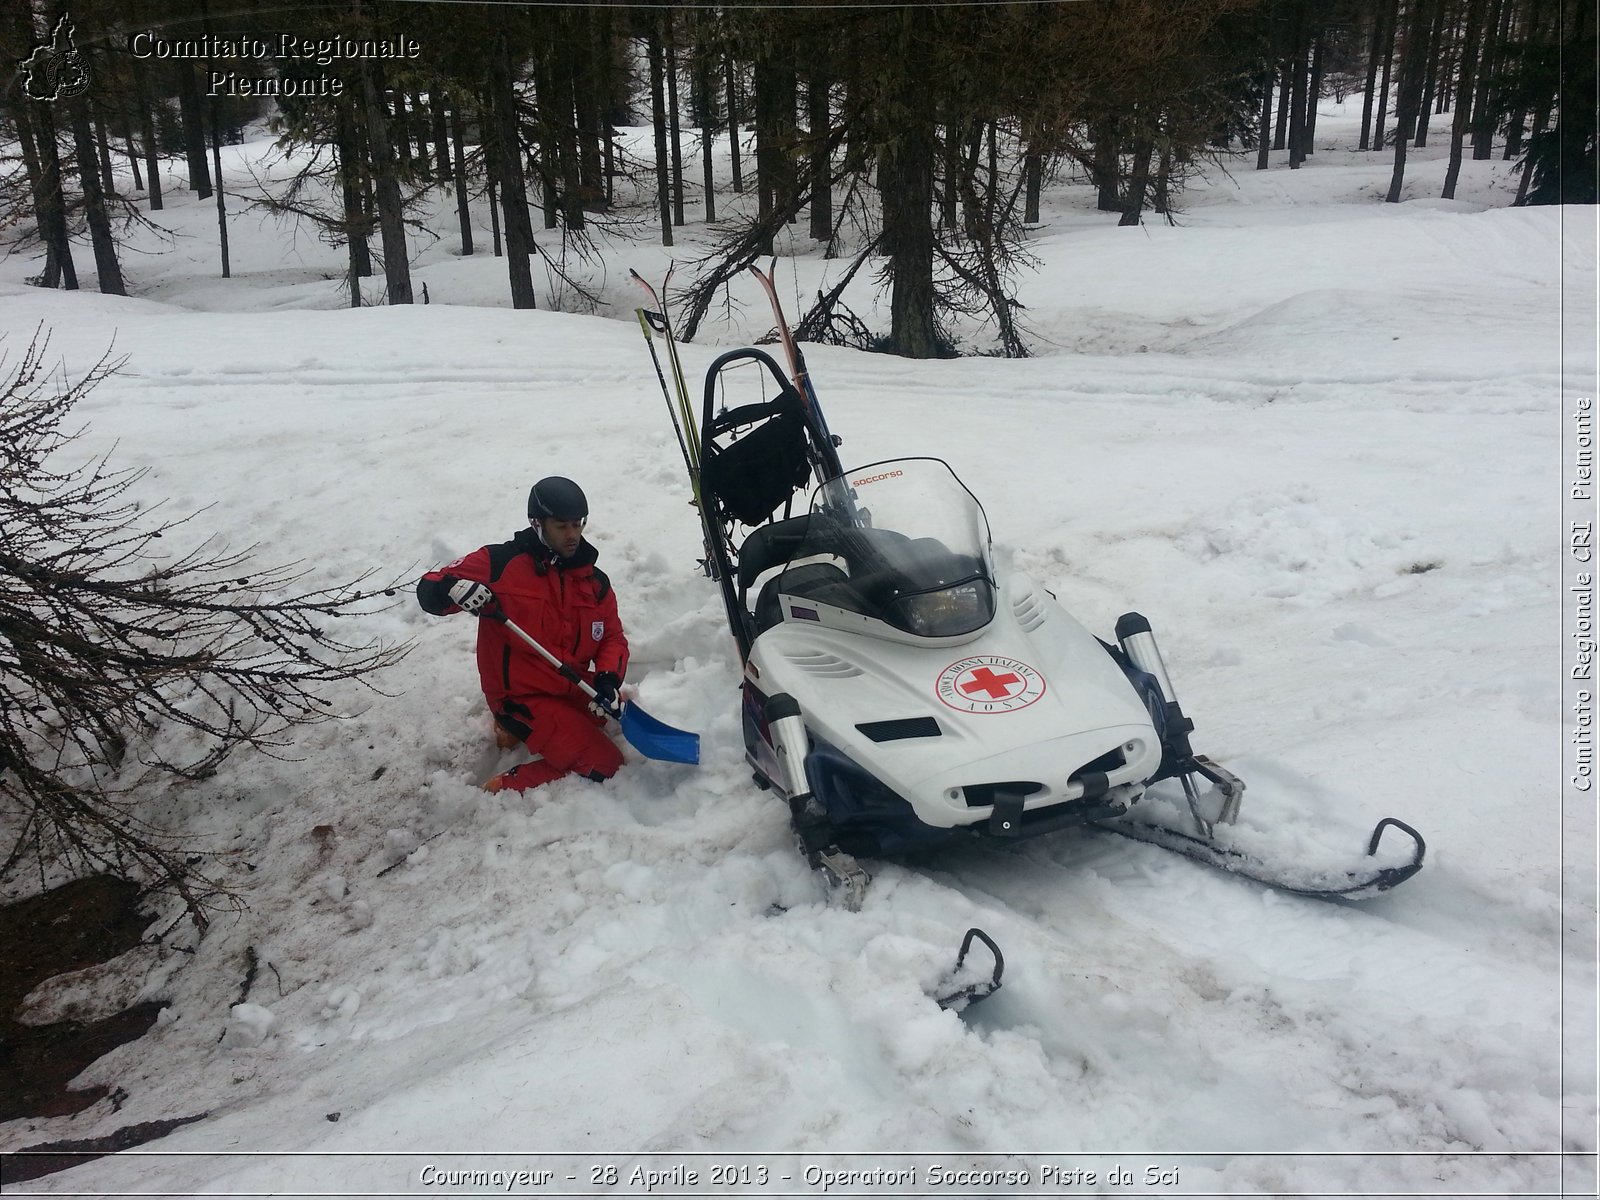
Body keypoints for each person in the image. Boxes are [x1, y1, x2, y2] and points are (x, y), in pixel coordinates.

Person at [417, 476, 629, 793]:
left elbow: (612, 637)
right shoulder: (500, 564)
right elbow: (430, 588)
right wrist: (452, 589)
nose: (573, 535)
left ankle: (518, 732)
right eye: (561, 526)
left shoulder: (593, 582)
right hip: (520, 696)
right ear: (537, 523)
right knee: (605, 764)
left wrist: (609, 678)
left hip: (571, 684)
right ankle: (504, 785)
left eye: (577, 524)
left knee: (612, 716)